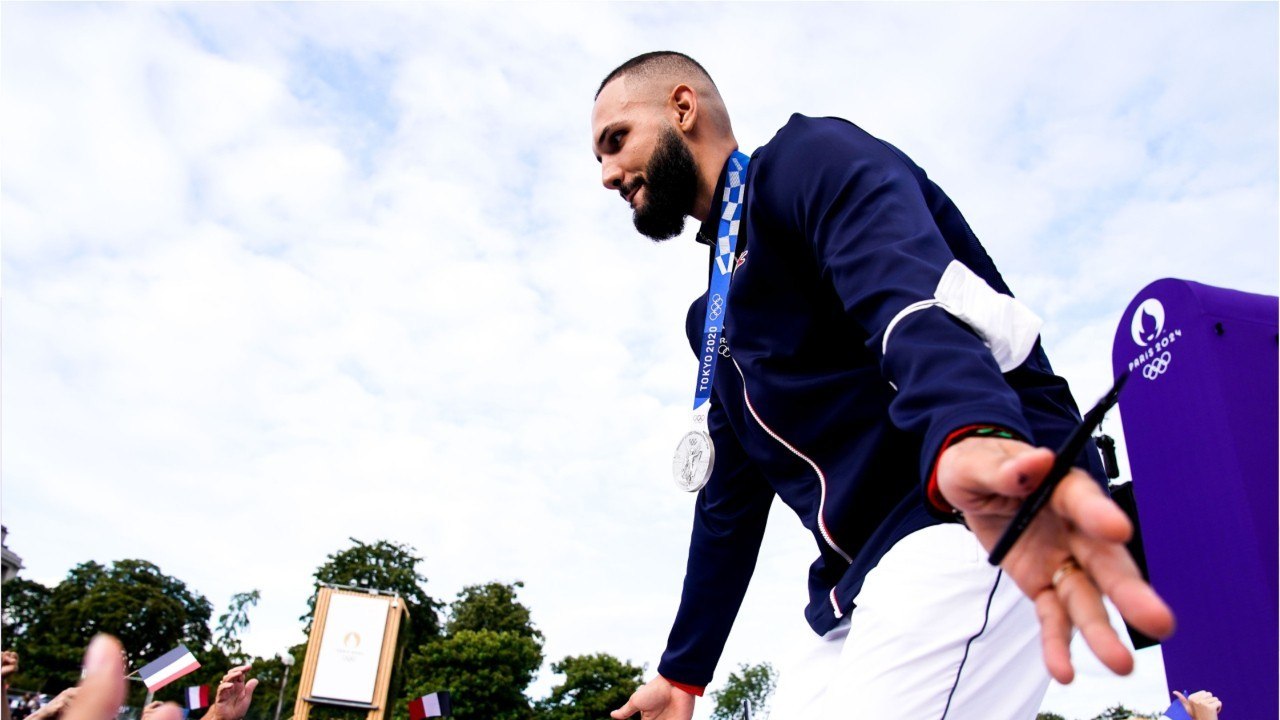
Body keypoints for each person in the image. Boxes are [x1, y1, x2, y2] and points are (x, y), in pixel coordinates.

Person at [590, 51, 1176, 719]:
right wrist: (684, 670)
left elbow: (904, 290)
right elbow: (728, 503)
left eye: (616, 141)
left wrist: (971, 426)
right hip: (856, 588)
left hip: (971, 516)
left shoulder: (806, 160)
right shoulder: (714, 319)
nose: (608, 175)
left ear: (682, 108)